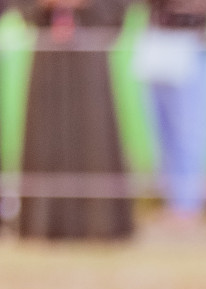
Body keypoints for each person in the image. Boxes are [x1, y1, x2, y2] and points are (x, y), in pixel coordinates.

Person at [18, 0, 135, 241]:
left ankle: (100, 225)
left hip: (89, 47)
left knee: (94, 132)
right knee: (45, 135)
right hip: (47, 48)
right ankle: (44, 226)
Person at [136, 0, 206, 225]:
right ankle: (174, 201)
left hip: (191, 45)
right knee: (163, 129)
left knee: (190, 129)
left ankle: (188, 205)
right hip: (157, 42)